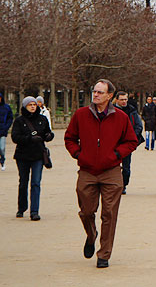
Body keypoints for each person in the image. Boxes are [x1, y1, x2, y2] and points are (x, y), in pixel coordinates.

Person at [64, 79, 137, 268]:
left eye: (100, 92)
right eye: (94, 91)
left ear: (109, 96)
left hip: (111, 171)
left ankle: (104, 254)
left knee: (109, 214)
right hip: (87, 170)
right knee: (86, 211)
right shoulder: (81, 115)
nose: (95, 95)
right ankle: (91, 235)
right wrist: (79, 154)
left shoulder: (121, 117)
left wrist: (115, 155)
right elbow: (69, 138)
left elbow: (131, 141)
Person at [12, 96, 54, 220]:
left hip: (38, 155)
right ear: (25, 106)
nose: (32, 106)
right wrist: (29, 139)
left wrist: (48, 136)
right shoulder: (19, 121)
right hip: (23, 155)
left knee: (36, 183)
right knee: (23, 182)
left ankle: (34, 211)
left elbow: (49, 132)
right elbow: (15, 137)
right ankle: (22, 207)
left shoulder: (42, 119)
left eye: (34, 104)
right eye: (30, 104)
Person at [114, 91, 144, 194]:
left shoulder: (132, 110)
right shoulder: (111, 111)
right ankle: (115, 185)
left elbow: (139, 126)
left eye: (125, 99)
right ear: (117, 99)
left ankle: (123, 185)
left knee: (126, 167)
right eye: (122, 99)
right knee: (114, 165)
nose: (124, 101)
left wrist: (132, 138)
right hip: (114, 143)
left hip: (127, 143)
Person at [0, 92, 14, 171]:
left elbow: (10, 118)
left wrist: (6, 127)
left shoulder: (6, 107)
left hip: (3, 130)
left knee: (2, 148)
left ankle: (2, 161)